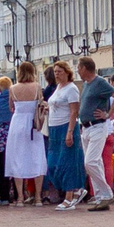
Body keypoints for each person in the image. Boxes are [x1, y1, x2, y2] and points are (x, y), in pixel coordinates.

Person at [4, 62, 47, 206]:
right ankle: (38, 197)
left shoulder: (13, 88)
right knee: (37, 157)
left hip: (18, 123)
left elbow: (11, 107)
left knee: (17, 158)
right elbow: (41, 104)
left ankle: (20, 197)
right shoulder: (37, 87)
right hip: (33, 125)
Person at [76, 56, 114, 210]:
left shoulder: (100, 82)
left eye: (79, 67)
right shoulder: (86, 84)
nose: (78, 71)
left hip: (98, 126)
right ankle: (100, 196)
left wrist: (108, 114)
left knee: (90, 162)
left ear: (85, 68)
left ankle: (107, 193)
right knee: (96, 162)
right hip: (86, 127)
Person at [44, 62, 85, 209]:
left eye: (60, 71)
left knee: (67, 162)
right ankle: (74, 190)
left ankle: (69, 196)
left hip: (65, 126)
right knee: (52, 163)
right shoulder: (58, 88)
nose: (56, 74)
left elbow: (74, 111)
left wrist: (69, 132)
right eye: (55, 72)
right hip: (53, 127)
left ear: (67, 72)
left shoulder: (72, 89)